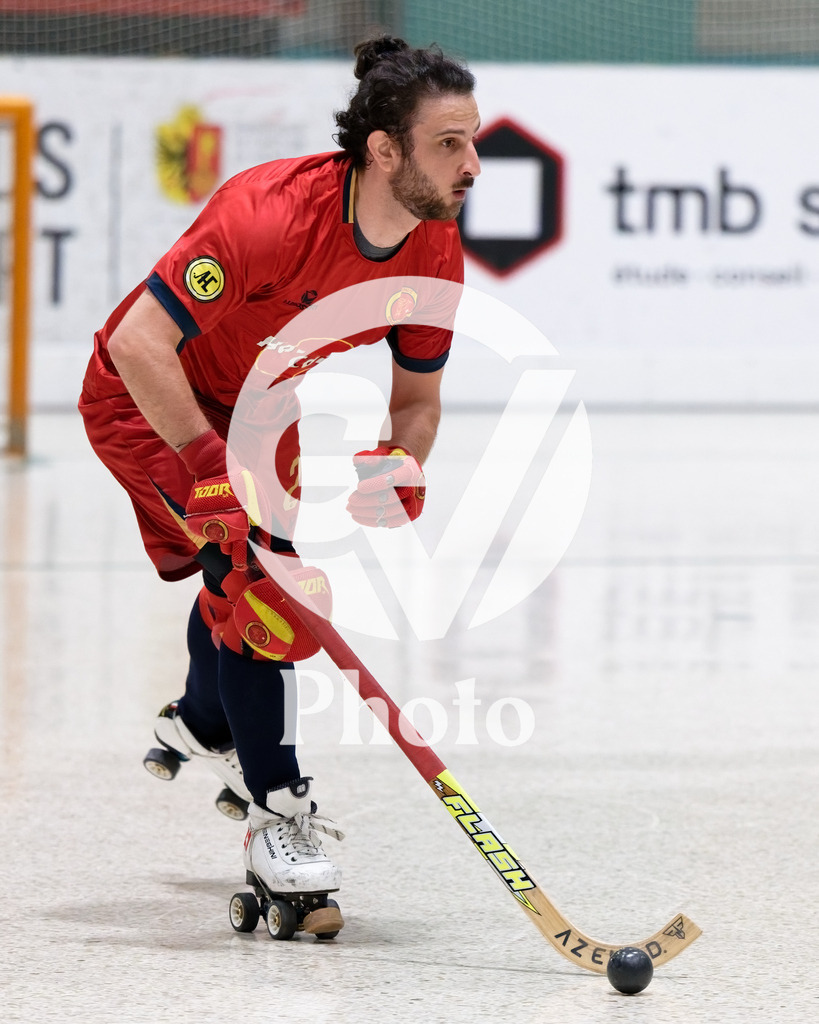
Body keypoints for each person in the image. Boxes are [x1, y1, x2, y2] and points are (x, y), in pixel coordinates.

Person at [79, 35, 480, 929]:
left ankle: (202, 719)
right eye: (448, 143)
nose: (471, 163)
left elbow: (417, 396)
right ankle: (278, 817)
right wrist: (202, 463)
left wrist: (405, 457)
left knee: (254, 570)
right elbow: (138, 344)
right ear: (384, 151)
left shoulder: (435, 251)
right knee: (265, 590)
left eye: (472, 140)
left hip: (259, 409)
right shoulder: (268, 216)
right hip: (149, 399)